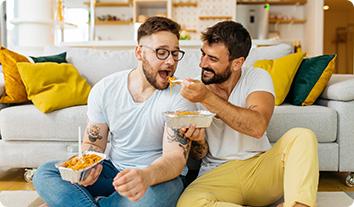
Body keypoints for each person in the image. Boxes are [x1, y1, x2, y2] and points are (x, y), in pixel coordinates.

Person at [33, 16, 203, 207]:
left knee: (157, 196)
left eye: (175, 53)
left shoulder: (180, 96)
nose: (171, 61)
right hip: (114, 172)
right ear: (139, 52)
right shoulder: (106, 89)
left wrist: (146, 176)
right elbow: (94, 143)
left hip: (157, 178)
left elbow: (175, 159)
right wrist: (89, 167)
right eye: (162, 52)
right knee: (45, 173)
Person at [177, 21, 319, 207]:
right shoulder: (193, 88)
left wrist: (207, 98)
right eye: (203, 54)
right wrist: (198, 141)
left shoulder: (256, 77)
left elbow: (257, 126)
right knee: (188, 204)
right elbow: (199, 153)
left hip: (260, 169)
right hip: (217, 173)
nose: (202, 63)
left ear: (237, 63)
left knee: (302, 136)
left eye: (212, 59)